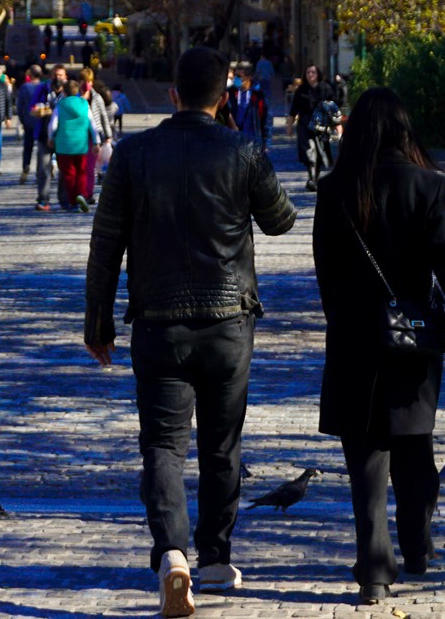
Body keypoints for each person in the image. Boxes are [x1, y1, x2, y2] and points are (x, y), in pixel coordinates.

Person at [85, 47, 297, 614]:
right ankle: (216, 555)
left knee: (162, 445)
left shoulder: (133, 155)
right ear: (223, 97)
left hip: (158, 323)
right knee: (222, 444)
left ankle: (171, 555)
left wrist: (97, 323)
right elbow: (281, 220)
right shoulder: (242, 150)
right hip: (228, 324)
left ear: (173, 95)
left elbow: (105, 244)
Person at [313, 87, 445, 605]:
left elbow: (325, 270)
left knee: (366, 462)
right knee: (414, 448)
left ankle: (374, 570)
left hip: (352, 341)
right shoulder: (425, 185)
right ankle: (416, 547)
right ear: (402, 130)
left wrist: (342, 321)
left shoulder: (334, 189)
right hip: (412, 340)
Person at [50, 78, 95, 212]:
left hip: (64, 145)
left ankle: (73, 201)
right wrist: (96, 141)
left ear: (64, 91)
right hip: (81, 144)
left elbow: (53, 124)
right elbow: (92, 124)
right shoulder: (84, 104)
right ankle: (81, 194)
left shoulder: (60, 105)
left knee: (69, 174)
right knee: (81, 172)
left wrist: (51, 137)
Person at [32, 67, 67, 211]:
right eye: (55, 75)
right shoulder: (42, 89)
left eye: (60, 75)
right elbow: (32, 108)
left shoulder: (69, 90)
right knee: (43, 169)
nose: (57, 77)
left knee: (64, 169)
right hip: (44, 135)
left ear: (65, 77)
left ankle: (64, 200)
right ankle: (43, 199)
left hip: (63, 136)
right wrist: (38, 111)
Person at [289, 65, 326, 191]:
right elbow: (293, 109)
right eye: (308, 72)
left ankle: (315, 178)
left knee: (320, 152)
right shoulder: (301, 90)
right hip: (304, 125)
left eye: (313, 72)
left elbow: (332, 107)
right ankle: (311, 178)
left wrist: (337, 126)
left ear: (318, 74)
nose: (310, 74)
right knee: (308, 152)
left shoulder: (325, 89)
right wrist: (290, 126)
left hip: (321, 125)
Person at [18, 65, 48, 177]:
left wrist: (22, 119)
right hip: (42, 121)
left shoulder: (25, 87)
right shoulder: (44, 86)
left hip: (29, 121)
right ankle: (42, 168)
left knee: (28, 147)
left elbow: (20, 105)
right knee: (42, 147)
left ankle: (26, 166)